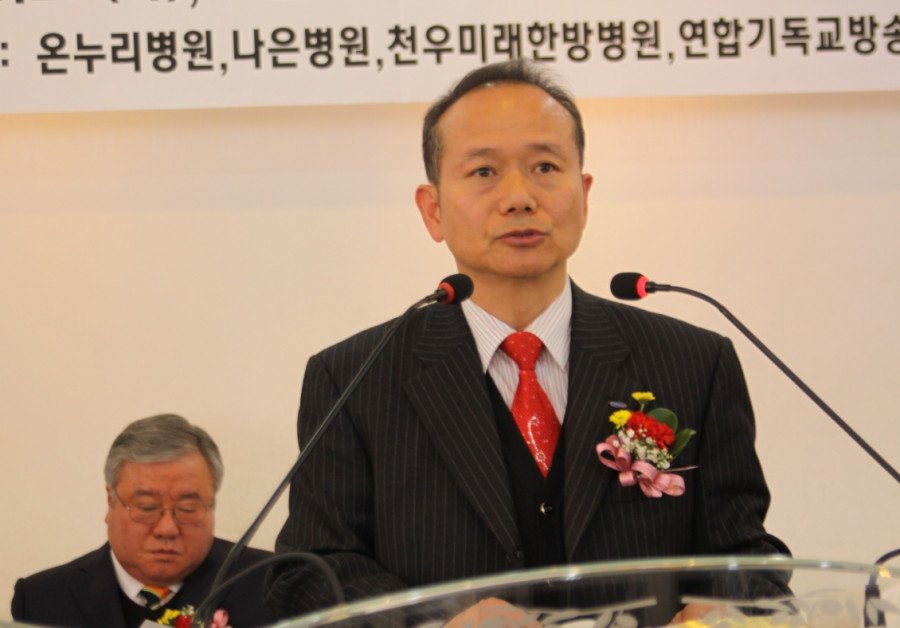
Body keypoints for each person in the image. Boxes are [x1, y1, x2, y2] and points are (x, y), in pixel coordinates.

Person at [266, 60, 789, 621]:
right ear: (433, 209)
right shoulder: (355, 378)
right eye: (484, 172)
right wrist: (432, 623)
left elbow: (748, 557)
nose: (518, 197)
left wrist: (726, 606)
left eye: (545, 166)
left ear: (583, 194)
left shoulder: (693, 362)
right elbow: (313, 571)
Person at [12, 414, 277, 627]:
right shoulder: (43, 599)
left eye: (187, 508)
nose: (167, 529)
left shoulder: (272, 586)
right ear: (110, 500)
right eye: (147, 507)